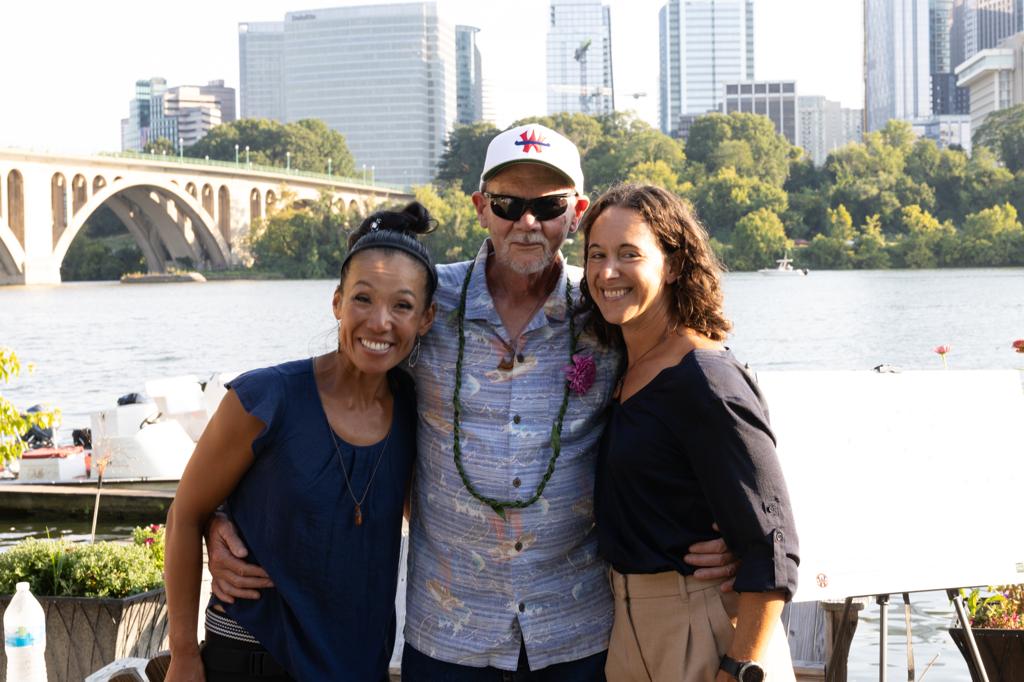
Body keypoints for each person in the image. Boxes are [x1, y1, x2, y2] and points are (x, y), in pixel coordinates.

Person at [206, 125, 739, 680]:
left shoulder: (607, 307)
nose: (527, 222)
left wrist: (725, 527)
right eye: (508, 204)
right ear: (481, 208)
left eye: (548, 206)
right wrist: (217, 517)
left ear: (576, 212)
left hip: (576, 630)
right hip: (449, 634)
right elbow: (333, 395)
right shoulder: (424, 301)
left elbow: (687, 396)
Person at [163, 203, 438, 681]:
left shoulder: (417, 413)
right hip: (252, 658)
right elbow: (184, 515)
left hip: (357, 666)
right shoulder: (265, 400)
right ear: (337, 302)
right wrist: (184, 655)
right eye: (363, 299)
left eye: (402, 306)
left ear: (426, 318)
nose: (379, 322)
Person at [581, 184, 800, 682]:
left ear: (674, 265)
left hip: (704, 631)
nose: (608, 272)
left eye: (629, 254)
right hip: (627, 633)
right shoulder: (622, 368)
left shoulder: (706, 379)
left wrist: (737, 668)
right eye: (596, 255)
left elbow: (773, 545)